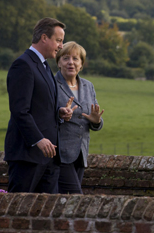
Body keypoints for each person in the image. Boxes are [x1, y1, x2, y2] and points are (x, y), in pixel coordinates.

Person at [4, 17, 73, 193]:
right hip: (28, 156)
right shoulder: (23, 65)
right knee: (18, 212)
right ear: (44, 38)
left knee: (46, 215)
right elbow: (20, 111)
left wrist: (59, 112)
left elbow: (40, 107)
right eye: (58, 40)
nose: (60, 45)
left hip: (49, 158)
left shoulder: (44, 66)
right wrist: (38, 139)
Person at [55, 41, 104, 194]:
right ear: (58, 63)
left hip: (81, 154)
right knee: (76, 198)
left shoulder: (88, 86)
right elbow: (44, 114)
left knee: (65, 201)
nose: (71, 62)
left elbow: (94, 119)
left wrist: (97, 122)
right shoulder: (51, 84)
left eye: (75, 59)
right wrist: (60, 114)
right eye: (66, 58)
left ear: (81, 64)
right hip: (60, 154)